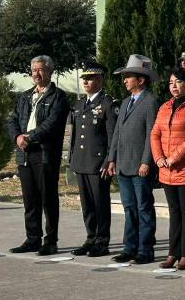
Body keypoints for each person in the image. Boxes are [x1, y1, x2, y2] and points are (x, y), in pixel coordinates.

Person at [7, 55, 71, 255]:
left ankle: (50, 241)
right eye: (33, 70)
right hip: (24, 153)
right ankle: (32, 239)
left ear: (50, 71)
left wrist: (29, 137)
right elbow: (12, 119)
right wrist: (17, 137)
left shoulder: (58, 96)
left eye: (40, 69)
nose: (36, 73)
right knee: (30, 200)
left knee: (48, 199)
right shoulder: (25, 96)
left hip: (44, 154)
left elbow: (52, 124)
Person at [106, 54, 160, 265]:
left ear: (141, 79)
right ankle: (130, 247)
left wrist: (147, 161)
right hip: (124, 165)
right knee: (129, 207)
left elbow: (151, 135)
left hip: (139, 165)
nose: (125, 80)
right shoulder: (127, 101)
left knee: (143, 207)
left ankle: (145, 249)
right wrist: (112, 159)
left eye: (129, 76)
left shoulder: (150, 101)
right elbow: (117, 133)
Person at [151, 67, 185, 270]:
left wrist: (174, 158)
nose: (174, 86)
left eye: (179, 82)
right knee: (174, 212)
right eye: (171, 83)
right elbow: (155, 133)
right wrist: (159, 158)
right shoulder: (165, 106)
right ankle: (173, 253)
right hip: (166, 169)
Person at [68, 59, 117, 257]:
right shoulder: (80, 104)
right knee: (86, 204)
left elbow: (112, 136)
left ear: (100, 79)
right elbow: (75, 135)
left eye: (90, 79)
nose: (86, 82)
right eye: (84, 79)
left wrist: (109, 160)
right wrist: (72, 158)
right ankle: (90, 237)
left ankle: (102, 240)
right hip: (81, 161)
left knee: (100, 203)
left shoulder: (107, 103)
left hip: (98, 163)